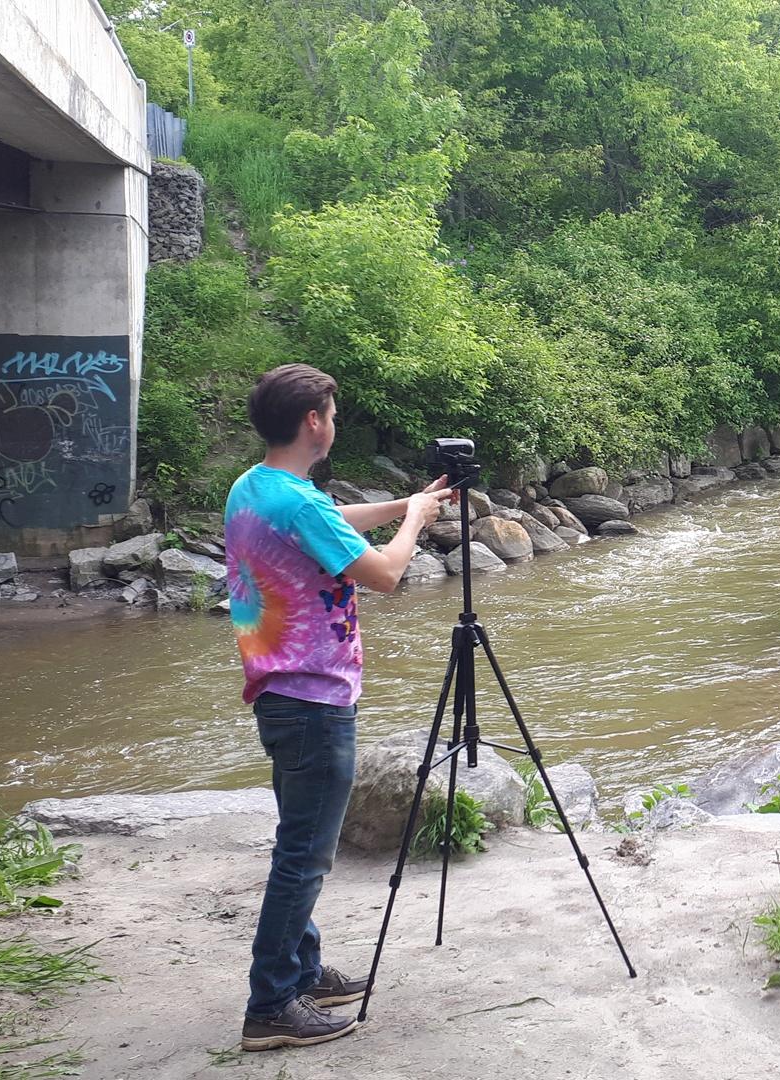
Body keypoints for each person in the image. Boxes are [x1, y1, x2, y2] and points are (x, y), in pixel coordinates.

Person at [224, 363, 453, 1050]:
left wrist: (399, 505)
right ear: (314, 422)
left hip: (281, 691)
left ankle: (301, 969)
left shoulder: (257, 485)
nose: (336, 420)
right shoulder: (294, 502)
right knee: (305, 855)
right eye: (332, 410)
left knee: (300, 840)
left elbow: (324, 520)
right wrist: (413, 523)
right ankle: (270, 1005)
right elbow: (383, 574)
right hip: (312, 698)